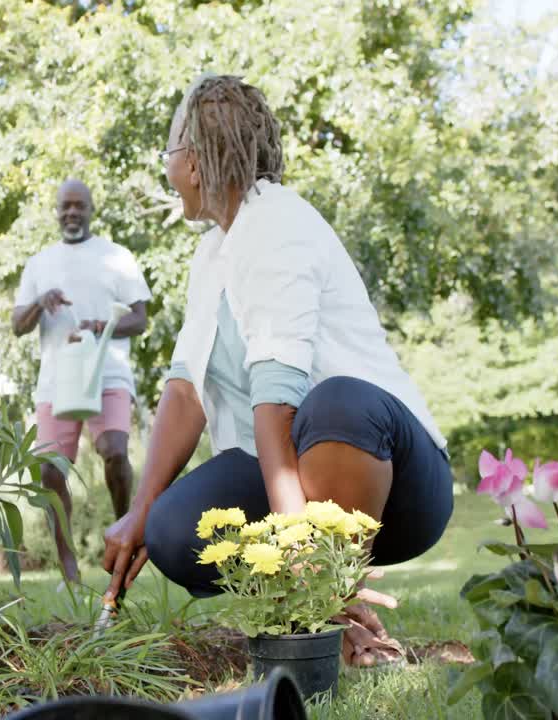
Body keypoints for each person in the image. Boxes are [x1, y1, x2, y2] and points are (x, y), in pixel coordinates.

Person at [100, 75, 454, 667]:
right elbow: (186, 392)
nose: (169, 169)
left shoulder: (280, 227)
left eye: (170, 153)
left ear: (194, 161)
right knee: (172, 527)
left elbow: (277, 406)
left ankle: (324, 610)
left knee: (337, 402)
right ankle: (316, 610)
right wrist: (139, 508)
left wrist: (303, 561)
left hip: (397, 481)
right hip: (297, 478)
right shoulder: (214, 252)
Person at [13, 179, 152, 583]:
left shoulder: (117, 256)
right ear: (56, 212)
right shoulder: (39, 263)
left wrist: (104, 324)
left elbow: (140, 318)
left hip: (106, 370)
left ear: (92, 209)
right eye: (65, 207)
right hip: (58, 379)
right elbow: (17, 325)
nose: (72, 213)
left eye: (79, 206)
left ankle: (124, 533)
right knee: (51, 471)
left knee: (113, 450)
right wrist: (41, 302)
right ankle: (68, 566)